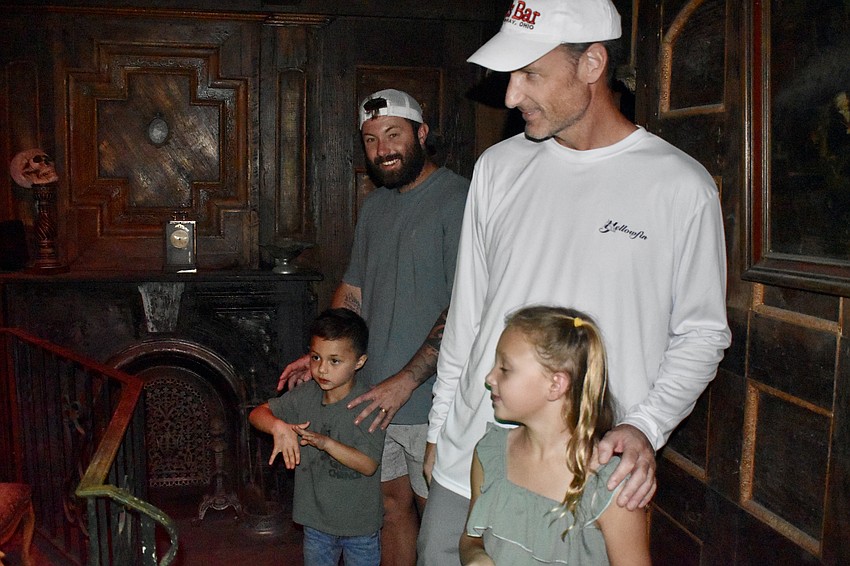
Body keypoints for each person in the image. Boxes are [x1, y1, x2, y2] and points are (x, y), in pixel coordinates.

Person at [419, 0, 732, 563]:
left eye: (530, 73)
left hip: (586, 483)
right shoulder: (497, 167)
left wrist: (645, 427)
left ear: (592, 63)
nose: (511, 96)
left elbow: (702, 334)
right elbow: (468, 310)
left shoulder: (681, 187)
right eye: (510, 75)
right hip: (473, 455)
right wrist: (441, 425)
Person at [278, 88, 469, 566]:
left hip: (430, 397)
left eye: (393, 135)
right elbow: (354, 292)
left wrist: (404, 382)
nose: (382, 150)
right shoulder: (375, 207)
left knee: (441, 519)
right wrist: (322, 354)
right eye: (370, 140)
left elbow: (465, 308)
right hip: (369, 399)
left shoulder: (459, 198)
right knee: (389, 509)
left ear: (421, 134)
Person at [459, 306, 651, 565]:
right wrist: (475, 557)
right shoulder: (490, 454)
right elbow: (471, 538)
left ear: (555, 385)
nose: (490, 377)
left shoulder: (609, 487)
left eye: (505, 368)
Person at [250, 308, 385, 566]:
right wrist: (278, 427)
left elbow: (368, 465)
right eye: (315, 357)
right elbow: (258, 413)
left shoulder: (368, 404)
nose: (322, 369)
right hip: (316, 523)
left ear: (359, 361)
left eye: (335, 361)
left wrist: (325, 443)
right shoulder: (306, 395)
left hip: (360, 526)